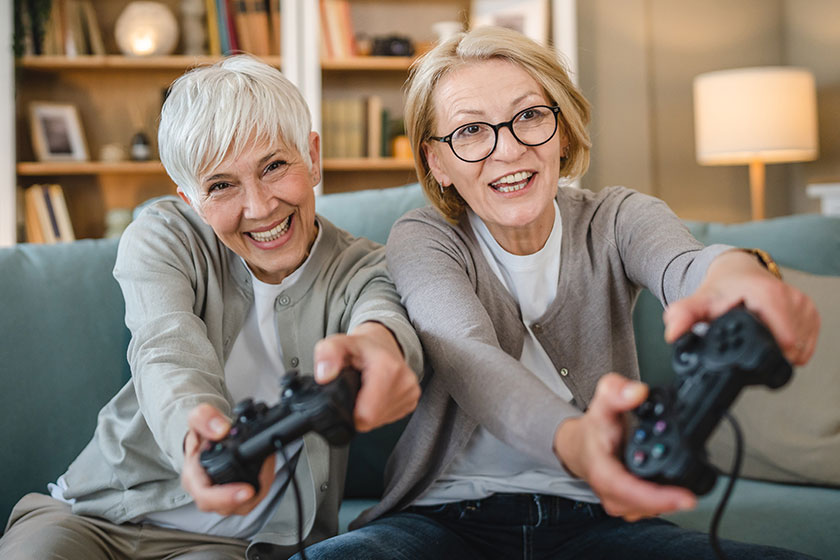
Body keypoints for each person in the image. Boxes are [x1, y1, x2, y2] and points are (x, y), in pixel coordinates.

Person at [298, 27, 820, 559]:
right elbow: (466, 354)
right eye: (471, 130)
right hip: (444, 519)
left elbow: (687, 265)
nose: (507, 148)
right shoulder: (424, 237)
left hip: (598, 521)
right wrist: (576, 442)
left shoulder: (617, 217)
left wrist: (742, 274)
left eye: (529, 116)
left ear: (562, 131)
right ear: (438, 162)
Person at [0, 55, 422, 560]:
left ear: (312, 156)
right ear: (190, 199)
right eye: (222, 185)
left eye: (274, 166)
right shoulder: (165, 237)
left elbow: (384, 320)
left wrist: (377, 349)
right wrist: (195, 431)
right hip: (97, 514)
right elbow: (164, 344)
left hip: (234, 542)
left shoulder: (362, 266)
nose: (260, 206)